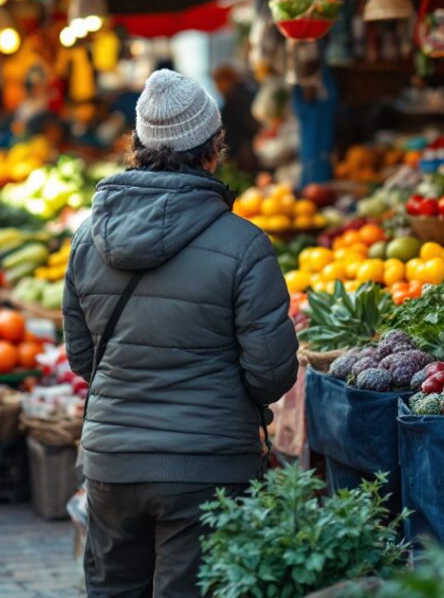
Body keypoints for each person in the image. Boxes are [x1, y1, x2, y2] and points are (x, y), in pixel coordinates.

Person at [62, 68, 299, 596]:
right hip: (207, 465)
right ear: (215, 148)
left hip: (111, 460)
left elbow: (83, 358)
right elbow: (270, 374)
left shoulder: (86, 240)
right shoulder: (245, 245)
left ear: (137, 147)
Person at [213, 63, 261, 174]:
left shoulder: (235, 100)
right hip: (250, 151)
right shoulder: (246, 92)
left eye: (218, 83)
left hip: (245, 155)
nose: (217, 87)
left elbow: (235, 131)